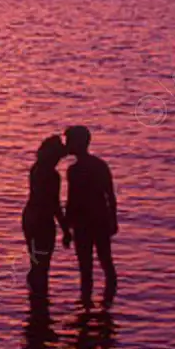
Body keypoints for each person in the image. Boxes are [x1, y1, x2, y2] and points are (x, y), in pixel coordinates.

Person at [62, 125, 118, 307]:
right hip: (94, 220)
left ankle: (90, 306)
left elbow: (72, 200)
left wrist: (66, 227)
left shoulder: (75, 170)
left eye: (69, 141)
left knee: (88, 267)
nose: (67, 145)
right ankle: (105, 305)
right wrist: (113, 219)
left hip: (86, 222)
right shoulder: (99, 165)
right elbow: (110, 196)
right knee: (104, 262)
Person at [22, 135, 69, 297]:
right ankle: (40, 299)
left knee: (35, 261)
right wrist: (66, 230)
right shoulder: (51, 175)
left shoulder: (35, 168)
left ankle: (35, 301)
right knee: (43, 264)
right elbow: (54, 204)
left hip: (29, 217)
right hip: (42, 221)